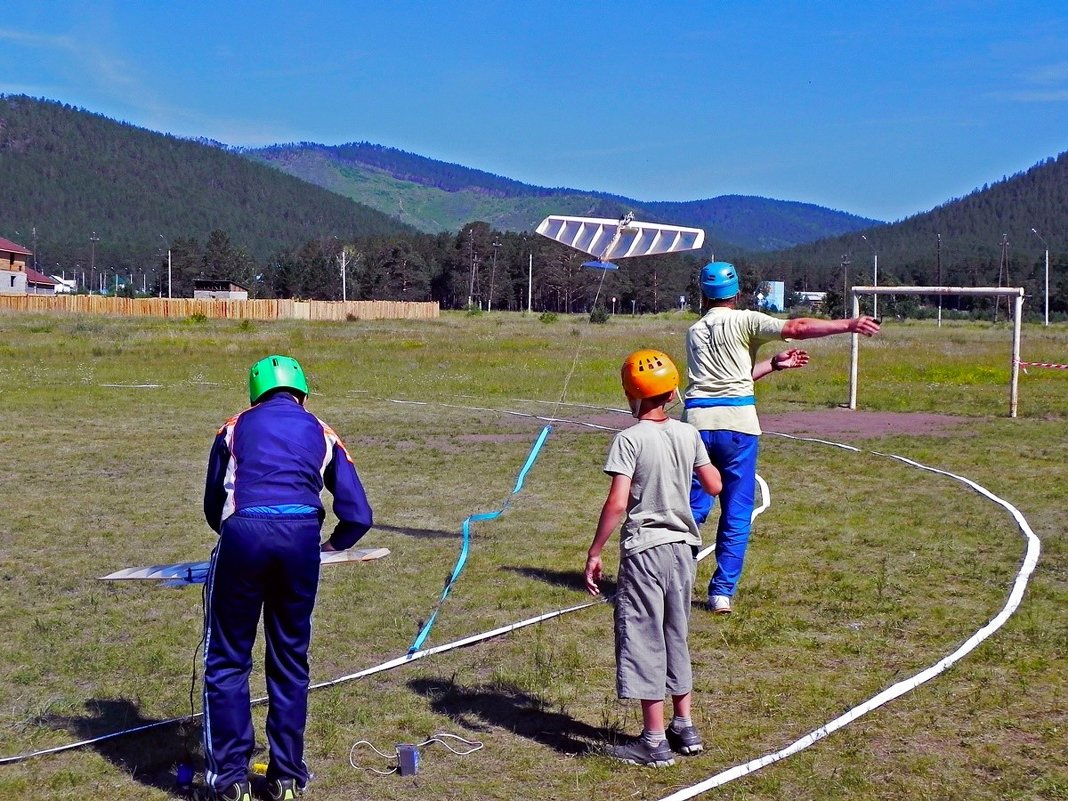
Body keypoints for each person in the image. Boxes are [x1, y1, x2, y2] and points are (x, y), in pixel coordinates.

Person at [200, 355, 374, 801]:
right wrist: (332, 544)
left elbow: (212, 505)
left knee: (227, 660)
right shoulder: (321, 430)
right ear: (302, 391)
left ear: (254, 392)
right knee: (290, 660)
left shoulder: (233, 427)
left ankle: (230, 782)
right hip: (301, 542)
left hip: (244, 536)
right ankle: (287, 778)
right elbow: (358, 514)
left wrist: (240, 538)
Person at [683, 262, 880, 615]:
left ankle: (673, 579)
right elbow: (798, 327)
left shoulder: (694, 331)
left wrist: (772, 365)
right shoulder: (745, 320)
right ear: (738, 294)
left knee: (694, 508)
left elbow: (730, 380)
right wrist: (849, 324)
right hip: (738, 426)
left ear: (702, 296)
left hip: (695, 425)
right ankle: (721, 593)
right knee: (737, 511)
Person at [584, 349, 723, 767]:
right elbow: (714, 484)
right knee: (675, 632)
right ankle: (686, 724)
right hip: (684, 551)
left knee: (645, 637)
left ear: (631, 393)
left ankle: (654, 740)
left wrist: (595, 550)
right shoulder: (688, 434)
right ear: (672, 390)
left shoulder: (629, 440)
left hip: (645, 552)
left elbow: (617, 502)